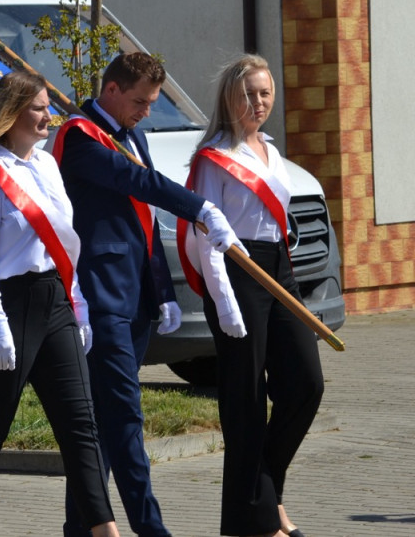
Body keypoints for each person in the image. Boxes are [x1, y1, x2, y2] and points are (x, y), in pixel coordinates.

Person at [53, 52, 242, 536]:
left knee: (103, 427)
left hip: (134, 297)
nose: (146, 112)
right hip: (100, 298)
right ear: (111, 90)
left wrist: (163, 291)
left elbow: (143, 216)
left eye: (153, 103)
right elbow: (138, 181)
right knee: (126, 421)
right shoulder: (79, 137)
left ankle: (80, 529)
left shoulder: (130, 133)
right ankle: (151, 530)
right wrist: (200, 207)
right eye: (140, 101)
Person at [0, 69, 118, 537]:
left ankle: (106, 531)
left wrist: (77, 304)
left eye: (49, 106)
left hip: (55, 300)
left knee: (81, 426)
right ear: (13, 114)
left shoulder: (46, 165)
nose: (51, 115)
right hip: (9, 307)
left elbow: (67, 244)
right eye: (41, 107)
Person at [180, 54, 323, 537]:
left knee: (306, 383)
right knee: (245, 401)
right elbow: (205, 235)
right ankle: (260, 522)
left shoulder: (270, 150)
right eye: (247, 94)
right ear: (228, 99)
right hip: (237, 275)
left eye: (264, 93)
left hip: (278, 268)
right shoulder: (213, 158)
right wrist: (223, 300)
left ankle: (265, 499)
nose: (257, 102)